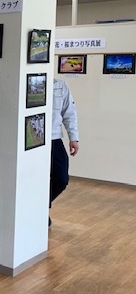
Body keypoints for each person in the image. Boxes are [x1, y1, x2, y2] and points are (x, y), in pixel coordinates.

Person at [50, 79, 79, 226]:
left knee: (61, 178)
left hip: (54, 138)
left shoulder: (60, 85)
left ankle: (40, 207)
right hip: (31, 140)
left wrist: (73, 138)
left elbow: (69, 112)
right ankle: (36, 211)